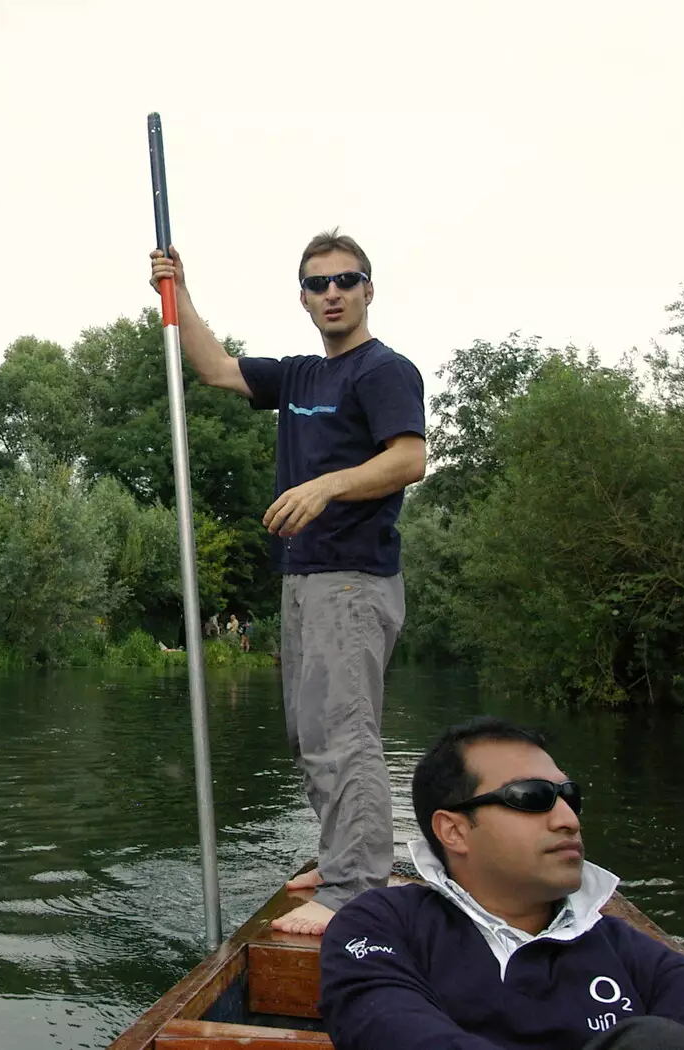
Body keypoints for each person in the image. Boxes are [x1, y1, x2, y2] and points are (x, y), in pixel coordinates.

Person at [150, 231, 425, 934]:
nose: (331, 293)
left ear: (368, 289)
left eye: (345, 280)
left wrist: (329, 485)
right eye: (317, 284)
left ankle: (357, 889)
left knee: (343, 733)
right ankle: (341, 860)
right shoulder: (301, 375)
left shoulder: (385, 371)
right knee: (309, 736)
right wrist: (175, 288)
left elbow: (408, 461)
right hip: (304, 579)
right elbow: (213, 368)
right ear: (303, 298)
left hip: (354, 579)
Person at [319, 717, 684, 1050]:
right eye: (531, 797)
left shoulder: (647, 963)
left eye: (569, 797)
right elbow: (388, 1030)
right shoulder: (380, 927)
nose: (569, 820)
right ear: (454, 831)